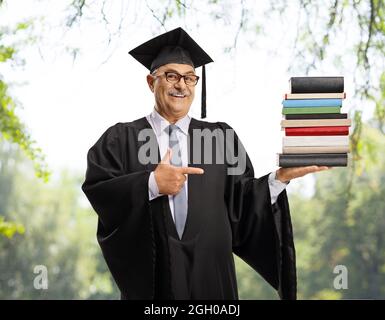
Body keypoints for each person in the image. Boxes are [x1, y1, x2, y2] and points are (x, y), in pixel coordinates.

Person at [81, 27, 329, 300]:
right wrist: (151, 184)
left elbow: (242, 204)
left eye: (189, 78)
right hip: (154, 284)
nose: (181, 85)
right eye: (171, 76)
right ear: (151, 82)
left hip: (213, 282)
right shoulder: (122, 138)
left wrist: (279, 178)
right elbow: (99, 189)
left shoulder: (220, 137)